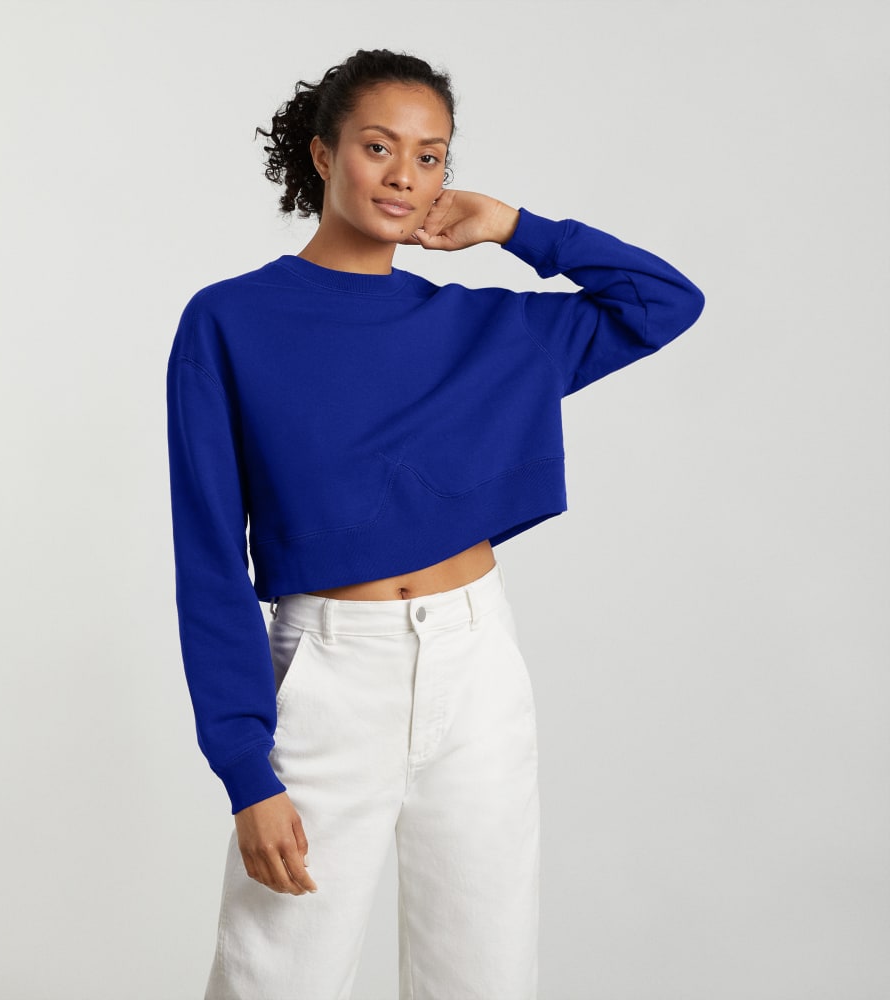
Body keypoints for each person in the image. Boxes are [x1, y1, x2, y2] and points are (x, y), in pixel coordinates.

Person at [166, 48, 704, 1000]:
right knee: (275, 975)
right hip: (329, 674)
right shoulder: (230, 322)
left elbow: (664, 302)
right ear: (324, 153)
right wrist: (247, 770)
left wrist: (516, 228)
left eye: (431, 156)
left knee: (483, 973)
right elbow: (207, 556)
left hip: (477, 667)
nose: (405, 176)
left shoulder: (485, 330)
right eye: (379, 147)